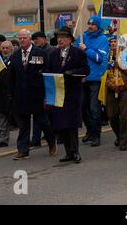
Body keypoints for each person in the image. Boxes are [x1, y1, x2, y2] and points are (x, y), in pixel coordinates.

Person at [9, 29, 56, 160]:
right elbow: (12, 78)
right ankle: (23, 150)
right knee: (23, 124)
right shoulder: (15, 56)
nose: (22, 40)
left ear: (30, 39)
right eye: (20, 38)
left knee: (42, 121)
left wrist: (47, 94)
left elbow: (47, 72)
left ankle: (51, 142)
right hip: (21, 95)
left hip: (37, 94)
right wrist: (11, 95)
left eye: (24, 38)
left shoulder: (40, 53)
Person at [47, 27, 89, 163]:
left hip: (72, 92)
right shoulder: (53, 54)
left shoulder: (78, 53)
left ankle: (75, 152)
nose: (60, 39)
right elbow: (48, 69)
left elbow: (85, 69)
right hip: (58, 93)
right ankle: (68, 152)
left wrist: (72, 72)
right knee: (61, 124)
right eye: (58, 37)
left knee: (71, 124)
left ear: (70, 40)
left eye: (63, 37)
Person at [76, 15, 109, 147]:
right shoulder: (82, 37)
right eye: (89, 24)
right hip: (82, 77)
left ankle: (96, 134)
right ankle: (90, 130)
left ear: (98, 26)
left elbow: (99, 58)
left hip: (95, 78)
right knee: (83, 108)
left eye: (93, 24)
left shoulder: (103, 39)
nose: (90, 26)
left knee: (94, 108)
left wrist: (86, 50)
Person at [0, 41, 13, 148]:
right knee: (2, 118)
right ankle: (2, 140)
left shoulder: (14, 60)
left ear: (11, 49)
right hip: (1, 94)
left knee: (20, 120)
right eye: (3, 48)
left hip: (12, 94)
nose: (4, 50)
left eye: (7, 48)